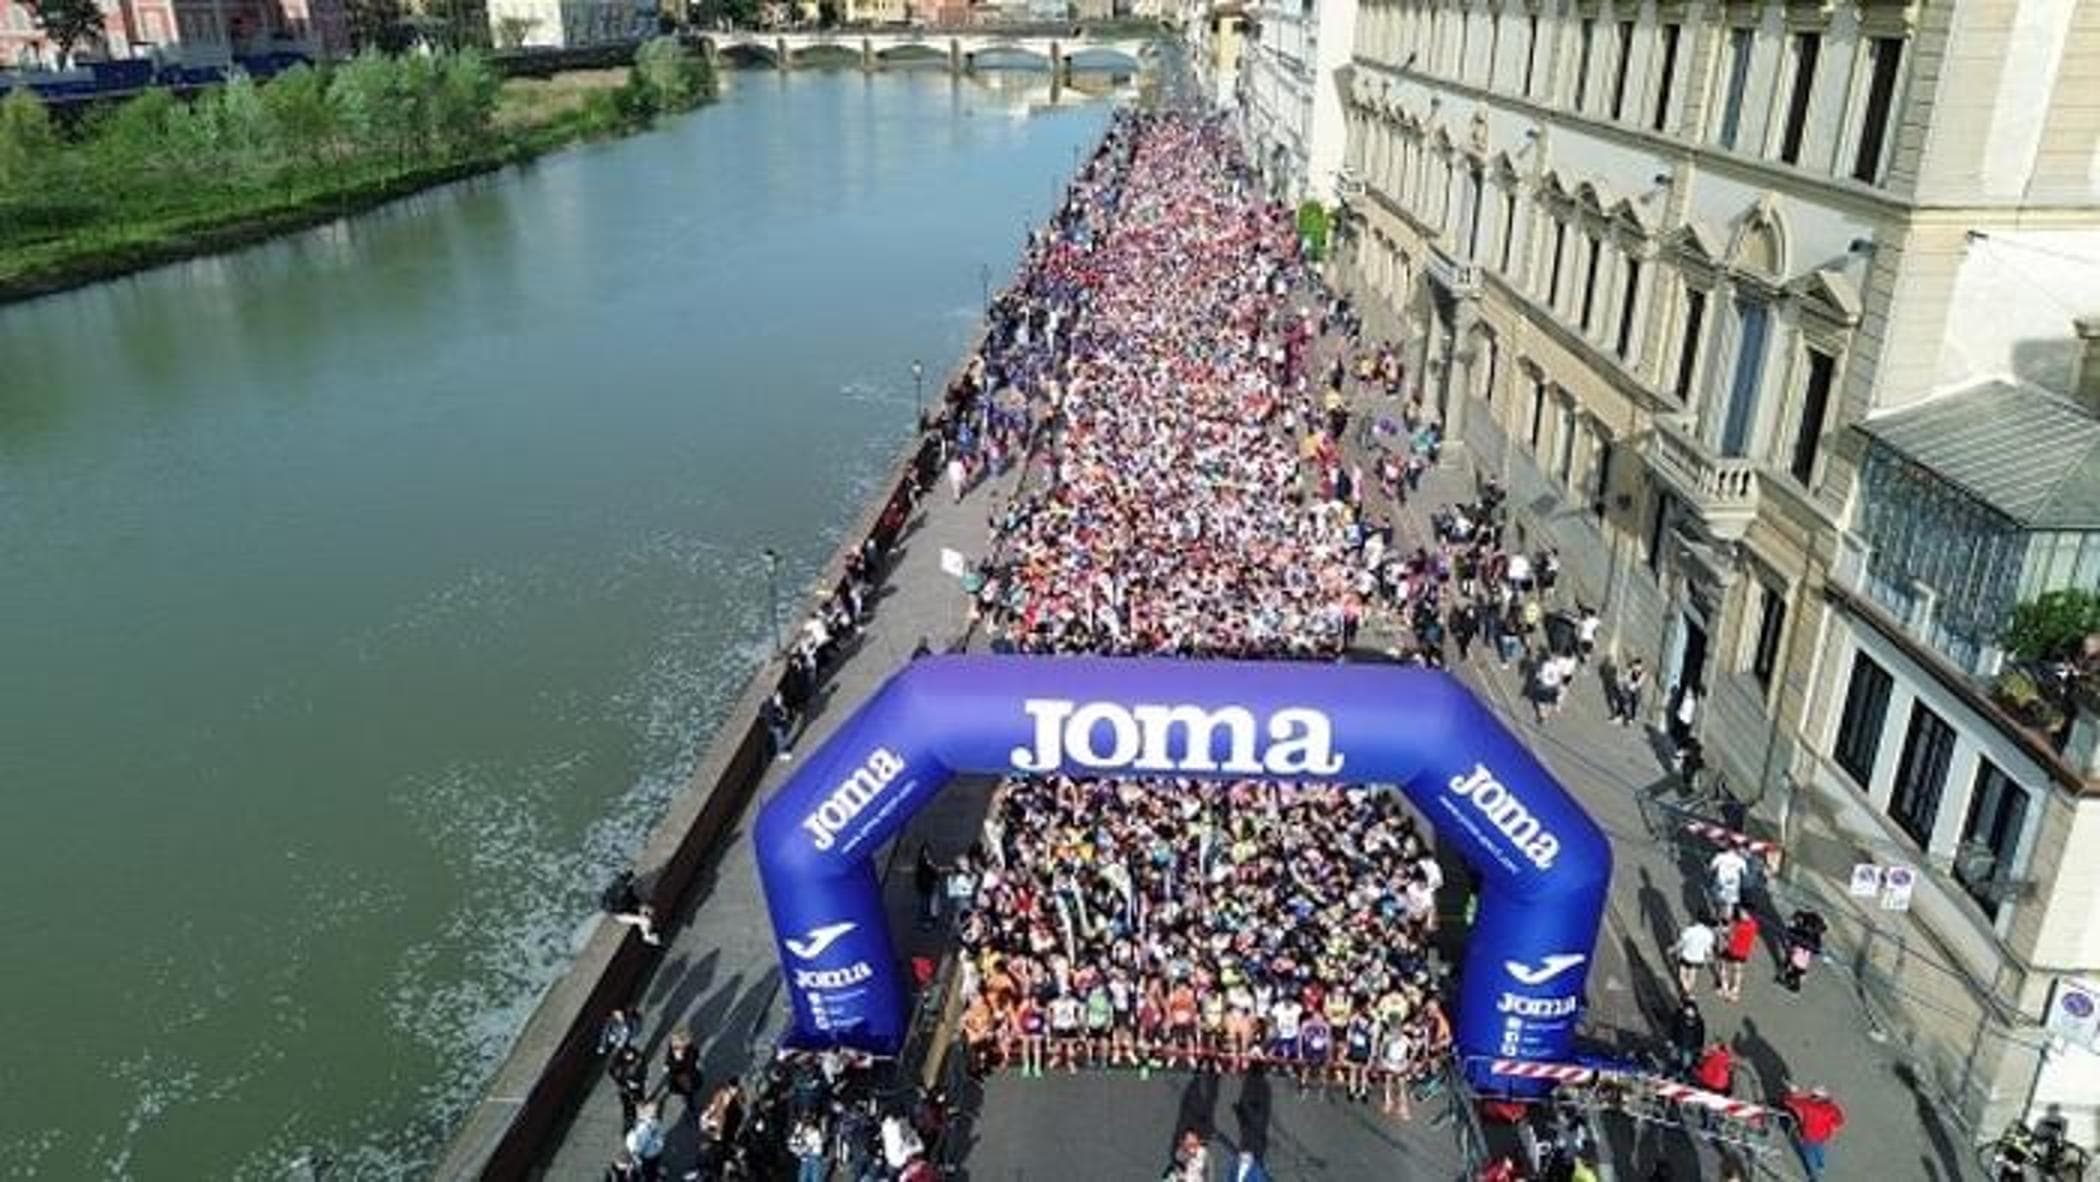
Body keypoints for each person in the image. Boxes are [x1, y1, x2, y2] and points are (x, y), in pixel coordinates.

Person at [1782, 1083, 1845, 1179]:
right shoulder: (1832, 1108)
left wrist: (1792, 1092)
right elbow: (1839, 1120)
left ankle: (1814, 1175)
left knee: (1809, 1156)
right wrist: (1831, 1126)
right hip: (1823, 1135)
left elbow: (1789, 1102)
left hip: (1809, 1135)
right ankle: (1820, 1166)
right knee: (1819, 1150)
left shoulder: (1807, 1104)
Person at [660, 1028, 701, 1125]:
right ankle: (690, 1108)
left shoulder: (691, 1050)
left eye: (677, 1042)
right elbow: (669, 1058)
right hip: (677, 1075)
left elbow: (691, 1063)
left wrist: (680, 1059)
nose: (674, 1044)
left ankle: (691, 1109)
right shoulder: (673, 1047)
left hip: (687, 1076)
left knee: (688, 1093)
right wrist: (669, 1064)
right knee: (683, 1091)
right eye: (674, 1042)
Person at [1671, 914, 1718, 997]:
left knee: (1682, 974)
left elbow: (1681, 943)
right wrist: (1710, 957)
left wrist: (1673, 949)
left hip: (1687, 956)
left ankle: (1687, 991)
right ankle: (1689, 990)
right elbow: (1708, 949)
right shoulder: (1709, 934)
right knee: (1692, 974)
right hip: (1699, 958)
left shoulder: (1689, 930)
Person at [1781, 907, 1827, 992]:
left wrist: (1790, 932)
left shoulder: (1808, 927)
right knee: (1796, 963)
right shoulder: (1809, 928)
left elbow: (1795, 932)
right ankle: (1789, 977)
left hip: (1803, 948)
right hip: (1803, 948)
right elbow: (1816, 945)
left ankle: (1789, 978)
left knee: (1795, 962)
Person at [1718, 906, 1758, 1002]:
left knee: (1722, 964)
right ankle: (1735, 990)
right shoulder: (1754, 924)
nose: (1740, 914)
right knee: (1738, 969)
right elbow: (1754, 938)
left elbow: (1729, 936)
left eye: (1742, 912)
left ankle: (1725, 987)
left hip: (1733, 949)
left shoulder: (1738, 925)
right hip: (1744, 952)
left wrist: (1723, 930)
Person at [624, 1102, 665, 1181]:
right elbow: (637, 1150)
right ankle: (653, 1177)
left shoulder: (647, 1124)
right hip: (650, 1155)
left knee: (653, 1164)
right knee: (649, 1170)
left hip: (653, 1151)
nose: (655, 1116)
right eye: (652, 1114)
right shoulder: (641, 1131)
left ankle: (654, 1172)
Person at [1708, 844, 1751, 917]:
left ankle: (1717, 914)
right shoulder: (1740, 860)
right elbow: (1745, 873)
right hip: (1733, 884)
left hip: (1721, 882)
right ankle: (1726, 921)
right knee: (1730, 903)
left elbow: (1712, 867)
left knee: (1718, 899)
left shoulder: (1720, 857)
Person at [1668, 997, 1706, 1078]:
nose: (1688, 1012)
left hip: (1689, 1047)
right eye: (1687, 1010)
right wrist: (1670, 1039)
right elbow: (1673, 1028)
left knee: (1686, 1063)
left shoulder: (1699, 1022)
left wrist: (1699, 1048)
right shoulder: (1679, 1017)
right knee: (1673, 1059)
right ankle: (1673, 1073)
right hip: (1677, 1042)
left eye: (1690, 1010)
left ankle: (1682, 1076)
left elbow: (1700, 1036)